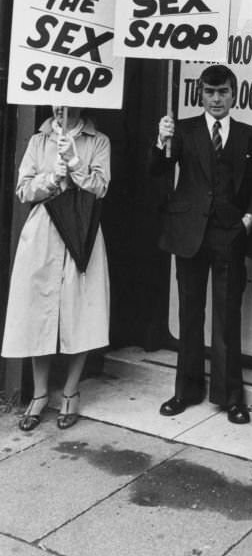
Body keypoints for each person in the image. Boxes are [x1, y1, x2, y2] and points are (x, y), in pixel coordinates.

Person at [150, 64, 252, 424]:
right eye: (210, 92)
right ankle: (186, 390)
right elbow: (158, 172)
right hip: (189, 233)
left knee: (228, 316)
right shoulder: (182, 129)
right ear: (200, 94)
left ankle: (231, 396)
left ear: (234, 94)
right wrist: (160, 140)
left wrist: (249, 217)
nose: (217, 99)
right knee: (190, 313)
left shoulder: (248, 134)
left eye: (223, 92)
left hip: (229, 232)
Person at [2, 106, 111, 431]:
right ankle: (38, 394)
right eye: (55, 99)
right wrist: (52, 177)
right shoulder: (39, 140)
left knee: (81, 309)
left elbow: (101, 187)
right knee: (40, 308)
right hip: (45, 231)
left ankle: (70, 391)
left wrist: (76, 165)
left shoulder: (98, 141)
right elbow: (23, 189)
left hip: (80, 231)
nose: (61, 105)